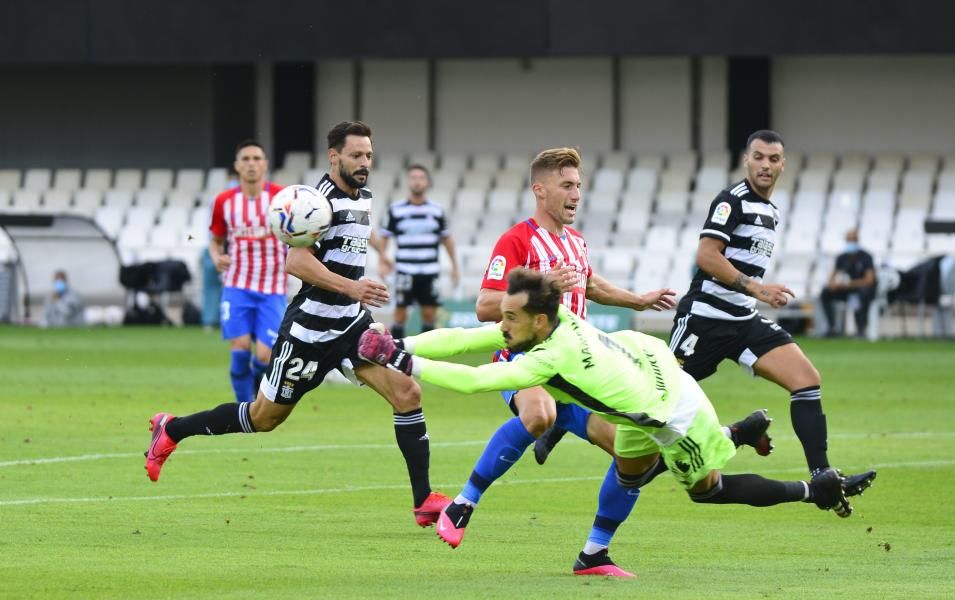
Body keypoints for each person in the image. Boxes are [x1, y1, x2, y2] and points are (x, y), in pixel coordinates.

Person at [357, 269, 865, 574]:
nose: (501, 324)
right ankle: (593, 556)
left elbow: (472, 381)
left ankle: (806, 489)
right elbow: (469, 338)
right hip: (646, 369)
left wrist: (404, 362)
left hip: (672, 411)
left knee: (705, 488)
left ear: (536, 321)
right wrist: (401, 344)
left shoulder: (547, 359)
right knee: (627, 466)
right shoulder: (555, 323)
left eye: (509, 317)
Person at [423, 147, 731, 576]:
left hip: (580, 372)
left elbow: (591, 284)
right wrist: (542, 285)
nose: (575, 195)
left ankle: (594, 553)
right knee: (538, 414)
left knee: (632, 459)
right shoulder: (517, 240)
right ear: (540, 190)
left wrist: (636, 299)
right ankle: (462, 504)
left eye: (579, 187)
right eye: (567, 186)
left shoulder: (576, 242)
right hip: (527, 356)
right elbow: (484, 305)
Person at [145, 121, 450, 527]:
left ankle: (423, 500)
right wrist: (354, 288)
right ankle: (173, 429)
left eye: (369, 155)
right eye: (356, 155)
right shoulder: (316, 202)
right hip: (309, 331)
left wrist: (360, 307)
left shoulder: (365, 197)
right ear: (334, 156)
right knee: (264, 418)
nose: (364, 163)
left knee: (407, 393)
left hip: (350, 326)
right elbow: (297, 262)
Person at [668, 130, 876, 512]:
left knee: (807, 380)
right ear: (746, 160)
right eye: (759, 157)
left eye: (773, 159)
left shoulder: (771, 211)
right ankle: (567, 422)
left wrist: (751, 296)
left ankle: (823, 480)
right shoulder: (733, 200)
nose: (765, 165)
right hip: (705, 321)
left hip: (743, 321)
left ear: (783, 164)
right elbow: (707, 256)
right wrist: (757, 289)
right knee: (657, 406)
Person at [209, 140, 285, 402]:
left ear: (264, 164)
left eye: (256, 158)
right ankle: (244, 408)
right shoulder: (224, 201)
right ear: (237, 166)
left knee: (264, 356)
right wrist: (217, 257)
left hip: (273, 289)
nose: (251, 164)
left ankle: (255, 396)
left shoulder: (281, 197)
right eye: (246, 159)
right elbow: (216, 241)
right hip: (237, 285)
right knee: (240, 349)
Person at [372, 164, 460, 338]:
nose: (417, 181)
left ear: (427, 183)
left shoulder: (436, 211)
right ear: (408, 182)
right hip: (405, 271)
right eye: (413, 177)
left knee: (429, 315)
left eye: (421, 178)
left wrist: (455, 266)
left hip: (429, 271)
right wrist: (382, 261)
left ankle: (426, 353)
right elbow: (385, 237)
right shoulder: (396, 210)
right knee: (400, 314)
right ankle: (396, 354)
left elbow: (447, 239)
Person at [819, 229, 877, 337]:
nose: (851, 243)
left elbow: (869, 280)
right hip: (847, 289)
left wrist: (848, 284)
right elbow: (833, 276)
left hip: (862, 289)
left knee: (863, 295)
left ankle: (861, 329)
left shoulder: (866, 257)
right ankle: (832, 328)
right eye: (849, 240)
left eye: (853, 240)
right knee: (825, 293)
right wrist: (833, 284)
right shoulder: (842, 257)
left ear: (857, 241)